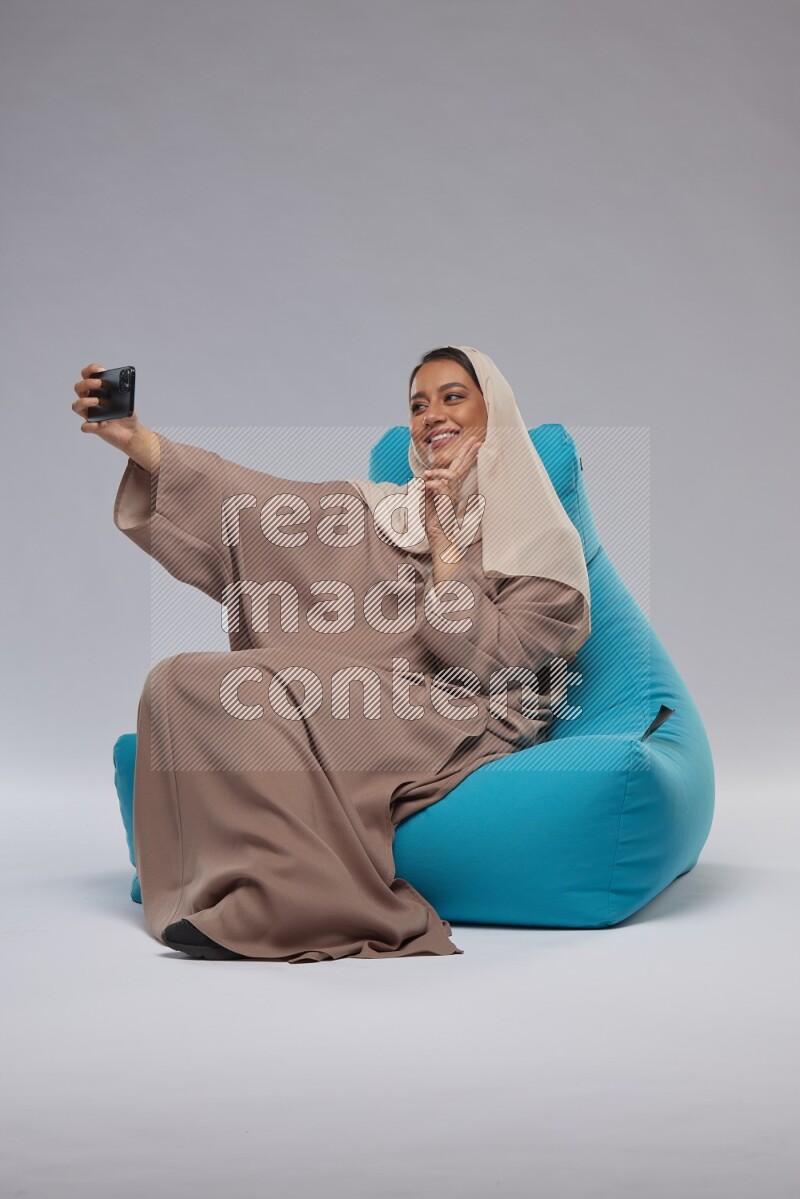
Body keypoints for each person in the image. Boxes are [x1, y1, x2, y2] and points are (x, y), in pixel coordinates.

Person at [72, 345, 591, 963]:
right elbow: (254, 503)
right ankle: (234, 889)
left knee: (274, 691)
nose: (431, 416)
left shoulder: (541, 538)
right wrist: (137, 441)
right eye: (418, 405)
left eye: (453, 397)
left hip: (470, 709)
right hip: (375, 686)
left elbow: (490, 662)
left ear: (494, 414)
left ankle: (302, 906)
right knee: (179, 680)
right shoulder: (385, 512)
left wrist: (447, 547)